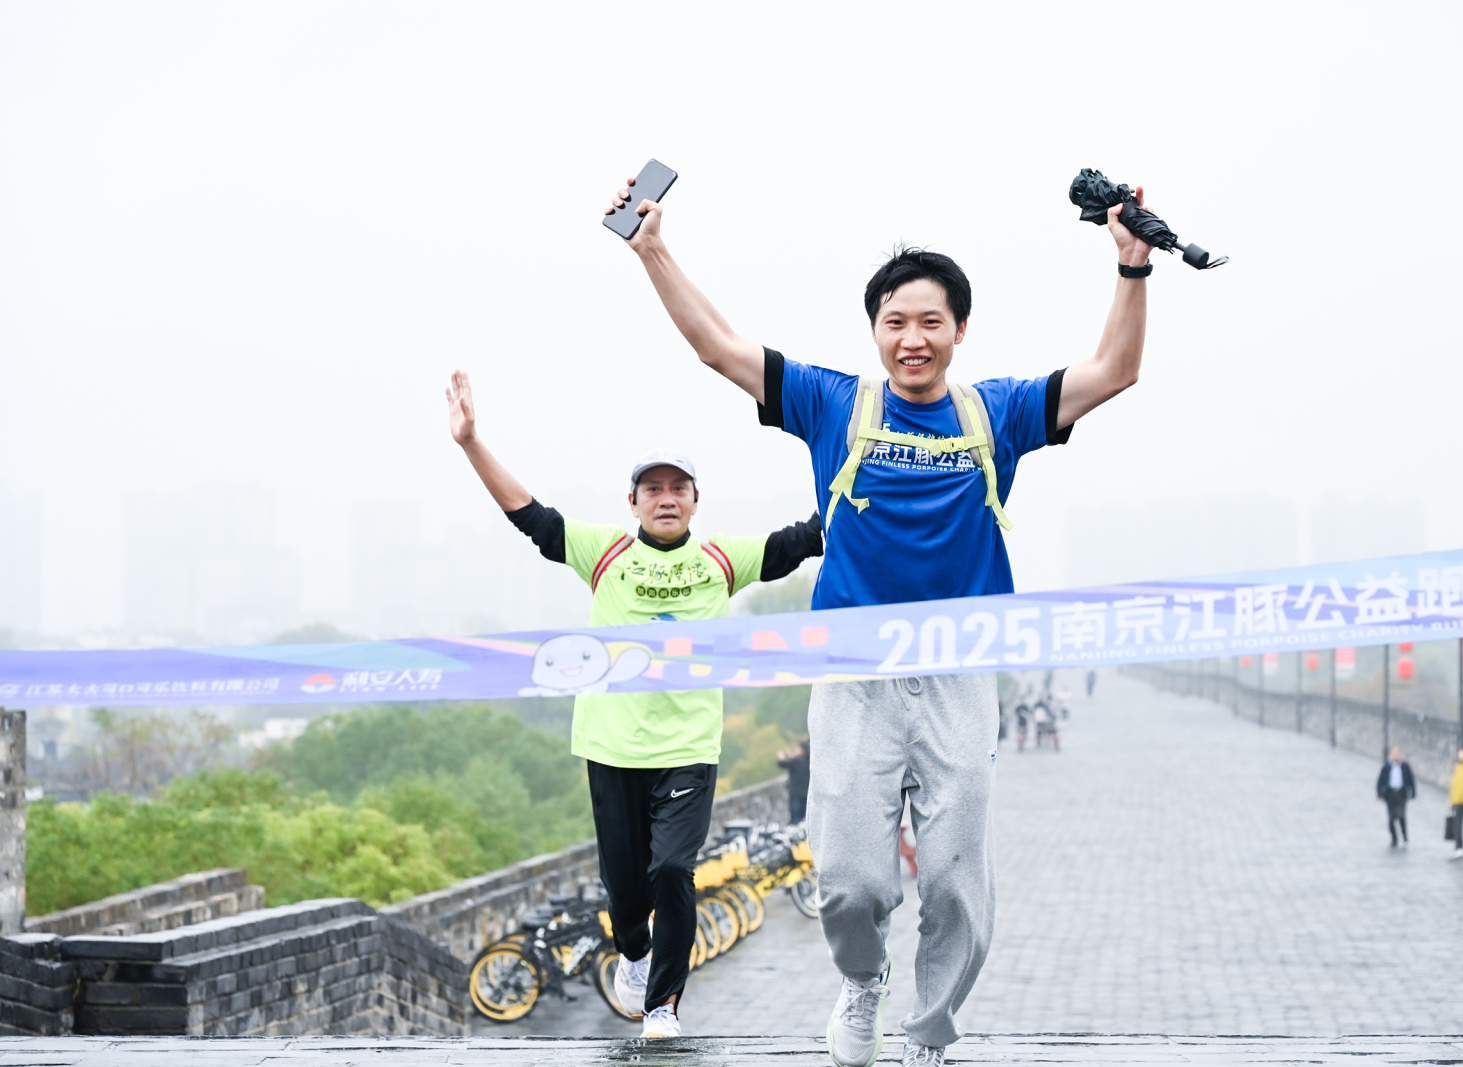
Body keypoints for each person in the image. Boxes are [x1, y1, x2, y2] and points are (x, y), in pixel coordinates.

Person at [606, 171, 1152, 1067]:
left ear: (959, 331)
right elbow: (717, 346)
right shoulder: (834, 403)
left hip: (960, 672)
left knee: (954, 883)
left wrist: (1132, 267)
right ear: (876, 332)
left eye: (931, 321)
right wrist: (655, 248)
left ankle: (930, 1029)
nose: (913, 338)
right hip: (852, 675)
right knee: (852, 883)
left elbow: (1115, 372)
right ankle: (862, 983)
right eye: (895, 322)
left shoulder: (998, 411)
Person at [446, 370, 823, 1040]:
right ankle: (634, 951)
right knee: (626, 893)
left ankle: (663, 1004)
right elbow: (529, 514)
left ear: (696, 500)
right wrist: (473, 442)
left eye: (679, 487)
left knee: (674, 868)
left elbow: (804, 539)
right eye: (655, 487)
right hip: (611, 746)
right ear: (634, 500)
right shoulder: (607, 553)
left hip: (688, 748)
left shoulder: (719, 560)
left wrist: (879, 489)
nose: (667, 498)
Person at [1376, 746, 1417, 849]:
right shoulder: (1386, 767)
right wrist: (1380, 794)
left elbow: (1411, 780)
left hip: (1401, 793)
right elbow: (1380, 781)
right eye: (1394, 754)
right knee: (1391, 817)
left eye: (1397, 754)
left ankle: (1404, 836)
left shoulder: (1405, 766)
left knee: (1401, 816)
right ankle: (1394, 838)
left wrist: (1413, 792)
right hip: (1390, 793)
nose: (1396, 756)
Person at [778, 739, 812, 824]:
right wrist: (791, 755)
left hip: (796, 794)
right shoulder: (809, 760)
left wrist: (781, 756)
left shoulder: (797, 761)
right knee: (805, 819)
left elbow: (782, 764)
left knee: (795, 820)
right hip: (807, 793)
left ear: (801, 749)